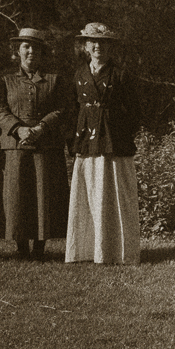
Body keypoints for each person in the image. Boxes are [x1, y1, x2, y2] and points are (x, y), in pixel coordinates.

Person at [65, 22, 142, 264]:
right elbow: (71, 109)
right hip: (87, 139)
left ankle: (117, 251)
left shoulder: (121, 74)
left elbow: (136, 110)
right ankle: (87, 250)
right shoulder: (78, 74)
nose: (98, 46)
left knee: (114, 193)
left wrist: (118, 129)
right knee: (89, 192)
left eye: (103, 42)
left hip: (114, 141)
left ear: (110, 47)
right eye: (93, 41)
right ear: (86, 46)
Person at [0, 28, 70, 260]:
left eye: (36, 47)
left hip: (45, 145)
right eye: (26, 46)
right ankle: (21, 246)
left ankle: (39, 246)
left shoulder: (55, 80)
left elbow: (63, 109)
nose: (31, 51)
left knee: (43, 195)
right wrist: (19, 128)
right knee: (17, 196)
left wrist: (41, 127)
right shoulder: (5, 79)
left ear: (42, 52)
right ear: (17, 51)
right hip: (13, 146)